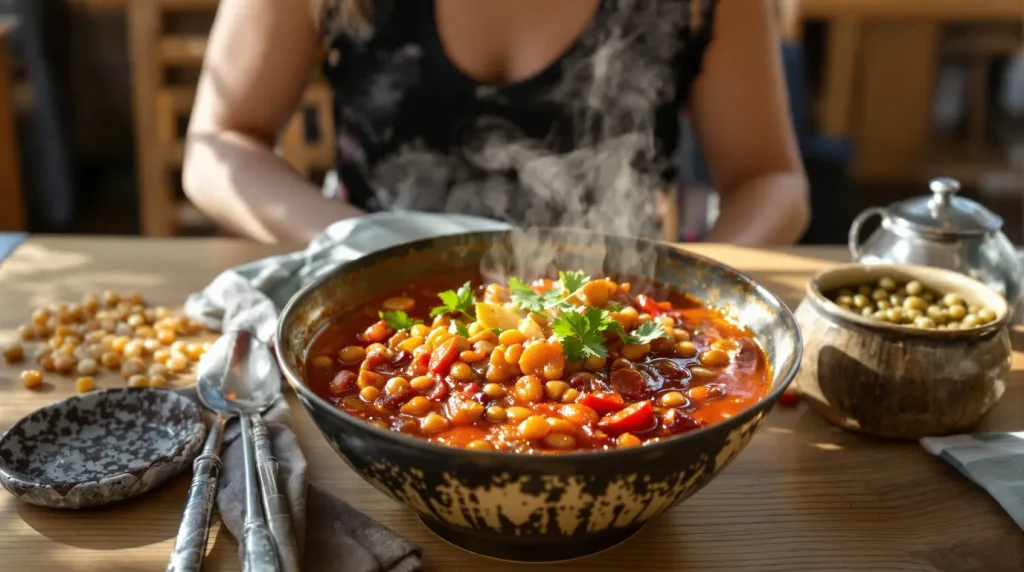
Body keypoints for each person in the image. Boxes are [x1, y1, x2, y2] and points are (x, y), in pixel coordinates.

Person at [183, 0, 809, 246]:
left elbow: (770, 179)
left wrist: (687, 296)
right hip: (378, 302)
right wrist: (360, 241)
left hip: (613, 322)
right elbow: (217, 146)